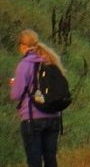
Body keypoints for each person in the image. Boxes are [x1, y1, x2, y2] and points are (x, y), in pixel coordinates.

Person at [9, 29, 63, 167]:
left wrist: (14, 84)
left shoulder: (25, 65)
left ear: (22, 46)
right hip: (54, 117)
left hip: (32, 119)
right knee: (51, 159)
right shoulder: (51, 60)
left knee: (34, 161)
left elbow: (16, 94)